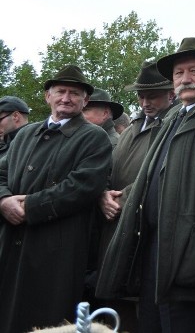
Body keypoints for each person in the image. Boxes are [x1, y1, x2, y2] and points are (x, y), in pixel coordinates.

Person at [97, 38, 195, 333]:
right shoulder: (172, 118)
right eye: (179, 73)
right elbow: (153, 175)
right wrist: (120, 198)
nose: (186, 79)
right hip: (157, 257)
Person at [0, 65, 112, 333]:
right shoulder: (26, 134)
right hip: (11, 245)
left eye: (75, 93)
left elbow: (83, 186)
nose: (66, 98)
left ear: (85, 101)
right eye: (60, 91)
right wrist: (4, 201)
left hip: (57, 250)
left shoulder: (94, 138)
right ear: (47, 96)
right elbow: (1, 173)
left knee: (47, 319)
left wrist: (30, 207)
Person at [95, 60, 176, 329]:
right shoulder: (131, 129)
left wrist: (123, 199)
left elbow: (160, 175)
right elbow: (110, 170)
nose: (145, 102)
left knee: (143, 312)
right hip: (114, 225)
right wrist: (103, 194)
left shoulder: (173, 127)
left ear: (170, 93)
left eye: (152, 95)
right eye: (141, 96)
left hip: (145, 230)